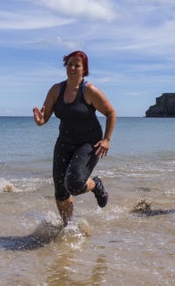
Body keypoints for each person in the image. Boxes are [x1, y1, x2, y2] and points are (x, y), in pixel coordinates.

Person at [33, 50, 116, 226]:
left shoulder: (89, 91)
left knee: (75, 184)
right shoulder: (56, 90)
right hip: (64, 142)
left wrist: (107, 140)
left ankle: (96, 184)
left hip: (88, 142)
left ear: (83, 69)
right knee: (61, 192)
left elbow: (110, 113)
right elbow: (44, 118)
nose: (72, 68)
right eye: (69, 64)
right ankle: (67, 226)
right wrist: (39, 119)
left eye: (77, 65)